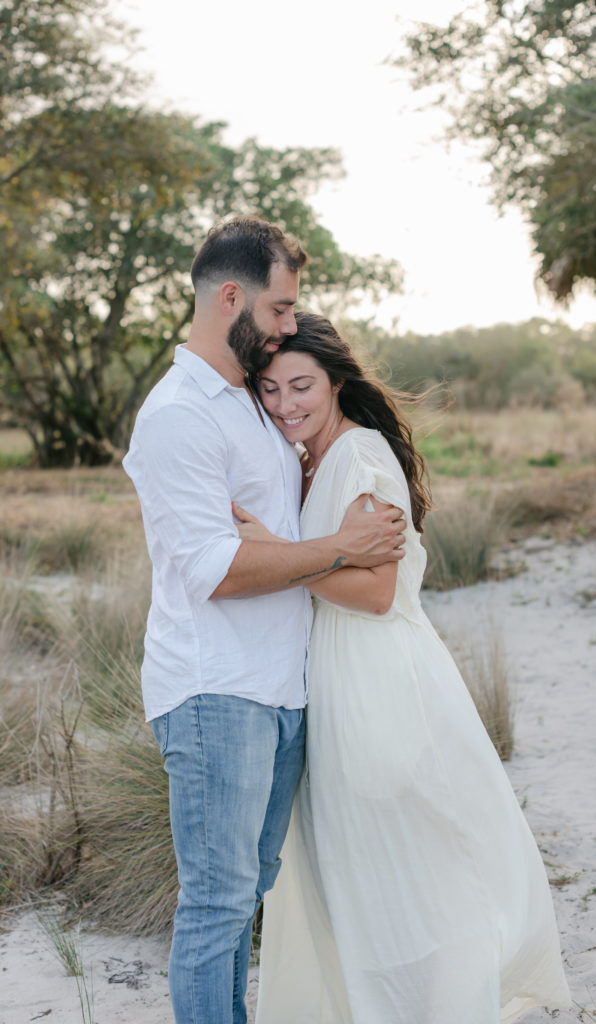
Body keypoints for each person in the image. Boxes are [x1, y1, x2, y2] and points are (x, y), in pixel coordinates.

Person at [236, 311, 571, 1024]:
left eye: (301, 385)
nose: (286, 403)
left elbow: (378, 592)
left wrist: (279, 558)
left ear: (335, 381)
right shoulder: (308, 460)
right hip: (329, 677)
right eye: (269, 390)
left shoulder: (358, 458)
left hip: (374, 676)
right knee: (359, 870)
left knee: (400, 861)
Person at [122, 218, 406, 1024]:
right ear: (233, 296)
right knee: (217, 907)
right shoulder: (180, 414)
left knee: (251, 892)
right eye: (281, 309)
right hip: (217, 692)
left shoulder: (249, 399)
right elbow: (215, 571)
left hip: (281, 690)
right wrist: (339, 547)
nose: (289, 326)